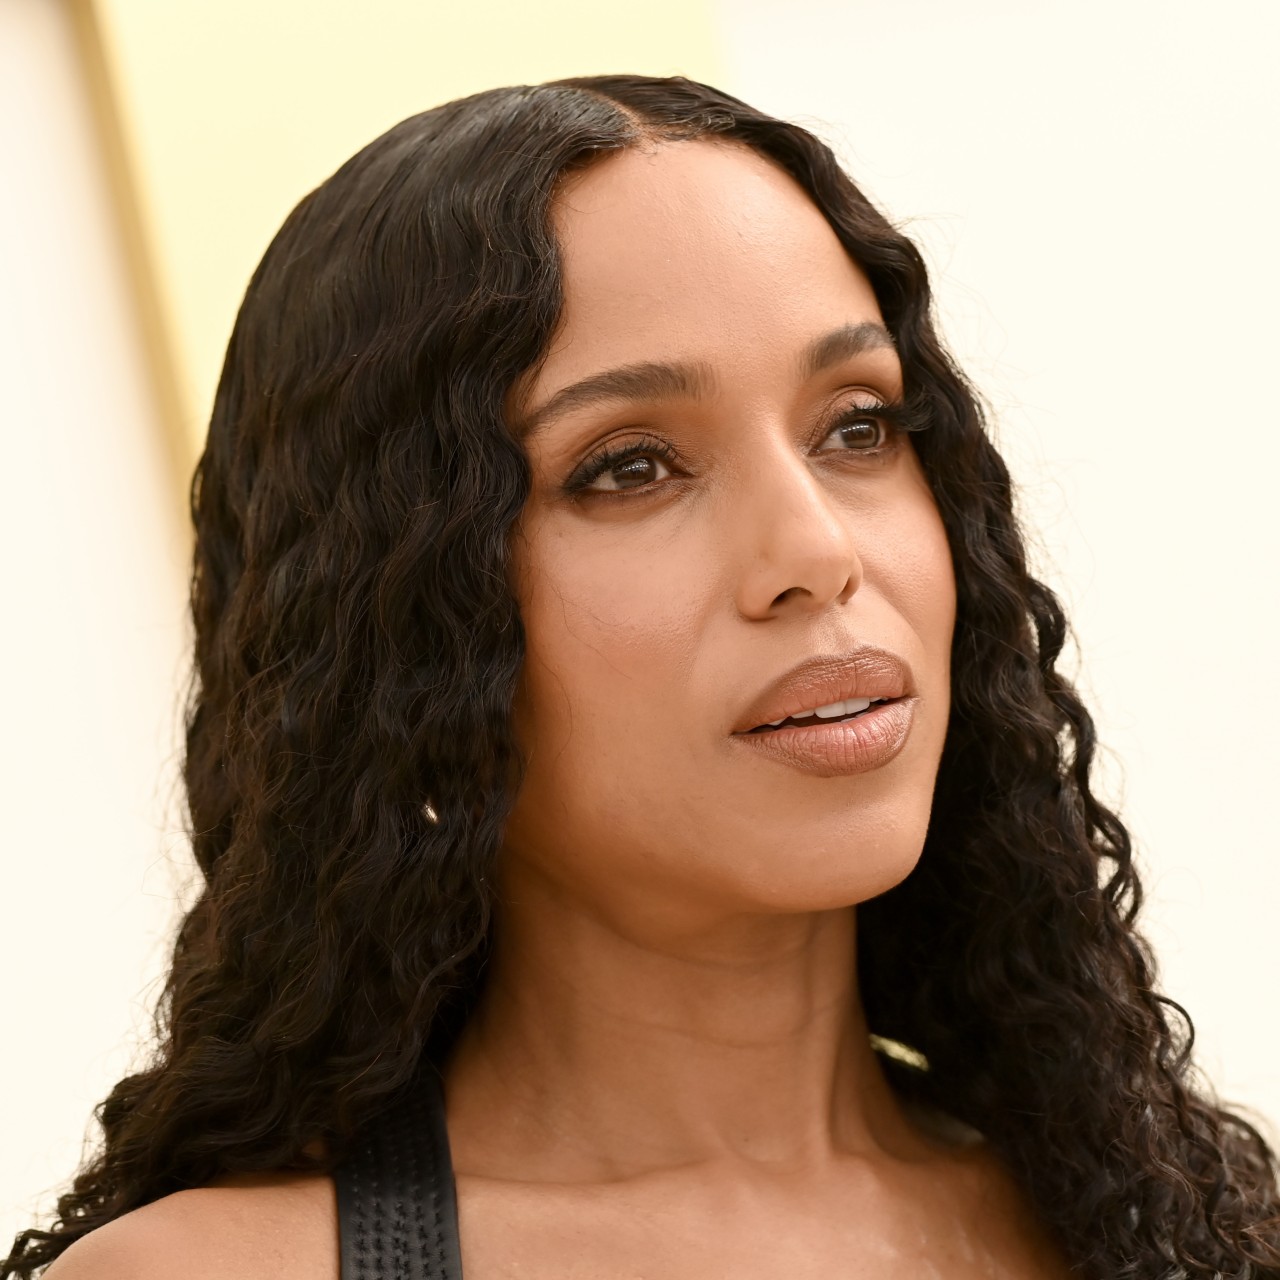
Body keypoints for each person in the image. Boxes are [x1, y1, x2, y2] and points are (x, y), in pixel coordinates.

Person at [6, 72, 1278, 1280]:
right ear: (398, 624)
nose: (815, 551)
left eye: (856, 426)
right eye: (628, 465)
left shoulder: (1191, 1229)